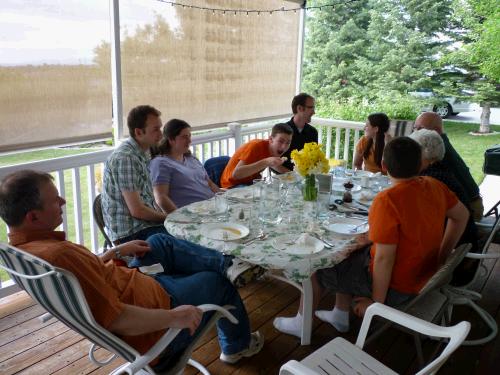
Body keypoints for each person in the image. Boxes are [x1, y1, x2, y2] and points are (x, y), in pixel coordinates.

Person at [0, 170, 265, 368]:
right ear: (32, 217)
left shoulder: (27, 252)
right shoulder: (60, 255)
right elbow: (118, 319)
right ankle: (236, 346)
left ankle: (230, 265)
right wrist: (174, 317)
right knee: (215, 283)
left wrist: (115, 252)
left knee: (157, 242)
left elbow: (84, 275)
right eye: (54, 200)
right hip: (154, 311)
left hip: (132, 284)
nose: (63, 201)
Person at [273, 137, 469, 337]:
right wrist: (442, 255)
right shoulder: (434, 185)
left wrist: (376, 304)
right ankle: (339, 314)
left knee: (315, 264)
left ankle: (301, 323)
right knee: (351, 250)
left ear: (383, 166)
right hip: (423, 273)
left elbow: (385, 259)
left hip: (399, 288)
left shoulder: (387, 200)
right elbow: (462, 216)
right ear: (420, 164)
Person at [410, 128, 479, 284]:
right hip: (462, 253)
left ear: (424, 153)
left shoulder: (431, 181)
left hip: (454, 265)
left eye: (413, 152)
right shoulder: (441, 171)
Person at [101, 105, 168, 243]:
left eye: (160, 128)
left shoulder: (142, 152)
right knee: (185, 238)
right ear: (138, 132)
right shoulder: (126, 158)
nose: (161, 134)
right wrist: (169, 218)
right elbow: (138, 211)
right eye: (155, 129)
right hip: (131, 234)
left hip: (145, 226)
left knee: (187, 234)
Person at [414, 112, 484, 221]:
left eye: (421, 129)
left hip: (470, 208)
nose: (416, 132)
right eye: (415, 128)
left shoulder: (435, 151)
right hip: (468, 203)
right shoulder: (439, 143)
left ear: (436, 131)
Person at [150, 119, 221, 213]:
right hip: (193, 214)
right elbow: (161, 197)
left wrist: (226, 196)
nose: (189, 140)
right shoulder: (161, 163)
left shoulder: (192, 159)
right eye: (184, 137)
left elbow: (210, 184)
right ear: (171, 140)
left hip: (214, 208)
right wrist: (178, 218)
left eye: (189, 136)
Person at [220, 123, 293, 188]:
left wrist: (294, 174)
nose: (284, 147)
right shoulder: (256, 146)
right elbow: (236, 174)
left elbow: (274, 165)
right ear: (271, 139)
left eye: (288, 143)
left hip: (250, 183)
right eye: (281, 141)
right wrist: (266, 162)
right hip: (232, 185)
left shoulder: (273, 150)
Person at [281, 93, 318, 171]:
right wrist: (292, 176)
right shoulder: (282, 130)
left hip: (305, 178)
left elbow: (314, 160)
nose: (314, 112)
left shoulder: (313, 132)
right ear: (299, 108)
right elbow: (272, 163)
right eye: (311, 108)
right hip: (283, 178)